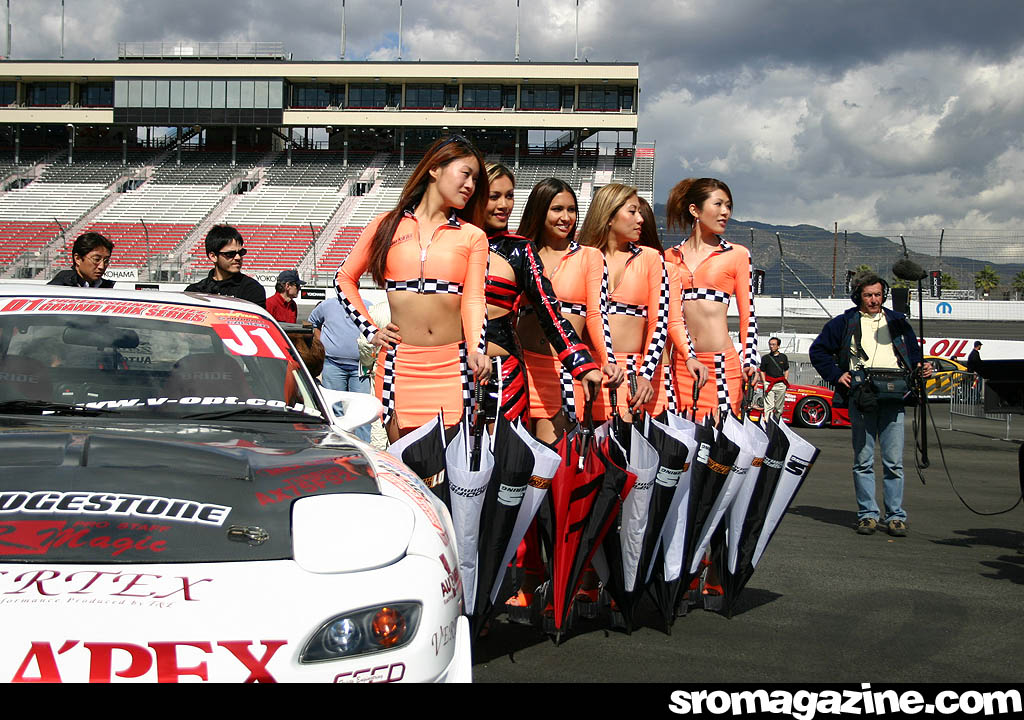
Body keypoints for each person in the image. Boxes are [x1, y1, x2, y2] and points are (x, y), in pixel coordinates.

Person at [335, 135, 491, 442]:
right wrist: (370, 330)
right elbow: (344, 278)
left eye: (475, 179)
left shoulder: (473, 236)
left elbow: (474, 299)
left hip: (454, 366)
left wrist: (477, 349)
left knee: (448, 465)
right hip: (399, 365)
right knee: (403, 462)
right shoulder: (386, 225)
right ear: (434, 168)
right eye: (466, 174)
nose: (471, 185)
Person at [809, 270, 933, 537]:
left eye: (878, 294)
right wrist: (836, 375)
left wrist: (922, 367)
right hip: (861, 396)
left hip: (895, 396)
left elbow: (914, 354)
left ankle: (895, 516)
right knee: (863, 460)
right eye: (868, 295)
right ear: (858, 296)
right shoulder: (844, 323)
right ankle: (867, 514)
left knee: (894, 462)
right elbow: (818, 351)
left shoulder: (898, 321)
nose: (874, 300)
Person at [481, 163, 604, 423]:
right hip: (451, 366)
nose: (504, 204)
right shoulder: (452, 241)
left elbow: (550, 312)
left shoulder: (519, 250)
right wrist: (385, 331)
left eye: (509, 196)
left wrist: (582, 364)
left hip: (505, 372)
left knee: (512, 448)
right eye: (494, 196)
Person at [515, 178, 623, 444]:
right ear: (539, 210)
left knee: (552, 458)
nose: (566, 217)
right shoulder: (521, 252)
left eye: (571, 209)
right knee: (514, 459)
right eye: (557, 209)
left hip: (563, 370)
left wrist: (607, 358)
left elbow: (596, 315)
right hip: (521, 368)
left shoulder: (589, 256)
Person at [664, 177, 758, 420]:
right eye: (718, 204)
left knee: (720, 441)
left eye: (729, 206)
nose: (725, 212)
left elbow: (748, 316)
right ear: (695, 210)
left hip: (721, 366)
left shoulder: (737, 255)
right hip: (682, 366)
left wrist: (750, 360)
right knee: (682, 440)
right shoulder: (669, 257)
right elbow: (666, 318)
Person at [578, 184, 670, 420]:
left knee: (626, 441)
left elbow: (659, 322)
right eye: (632, 211)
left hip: (633, 373)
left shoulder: (651, 258)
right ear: (609, 216)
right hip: (587, 370)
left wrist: (645, 374)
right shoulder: (582, 256)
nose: (641, 219)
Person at [636, 196, 705, 413]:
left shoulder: (666, 269)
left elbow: (674, 321)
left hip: (657, 371)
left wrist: (688, 355)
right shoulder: (600, 262)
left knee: (658, 430)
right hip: (616, 366)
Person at [308, 292, 372, 443]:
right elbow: (312, 322)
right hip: (333, 364)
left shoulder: (368, 306)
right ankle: (335, 443)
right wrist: (320, 344)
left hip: (360, 366)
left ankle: (363, 446)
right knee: (334, 408)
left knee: (362, 410)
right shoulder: (327, 305)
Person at [185, 225, 266, 308]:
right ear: (213, 256)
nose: (238, 257)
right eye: (230, 254)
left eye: (241, 252)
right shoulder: (194, 291)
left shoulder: (252, 289)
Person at [48, 232, 115, 288]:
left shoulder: (109, 287)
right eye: (96, 259)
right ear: (78, 259)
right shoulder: (59, 287)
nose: (102, 266)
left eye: (106, 261)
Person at [759, 336, 790, 421]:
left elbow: (786, 370)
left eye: (773, 344)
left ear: (778, 346)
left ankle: (776, 420)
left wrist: (785, 380)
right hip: (769, 383)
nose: (771, 346)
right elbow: (762, 370)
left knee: (779, 407)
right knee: (769, 406)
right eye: (770, 344)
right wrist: (764, 382)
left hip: (780, 384)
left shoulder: (783, 357)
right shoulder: (765, 358)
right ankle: (767, 422)